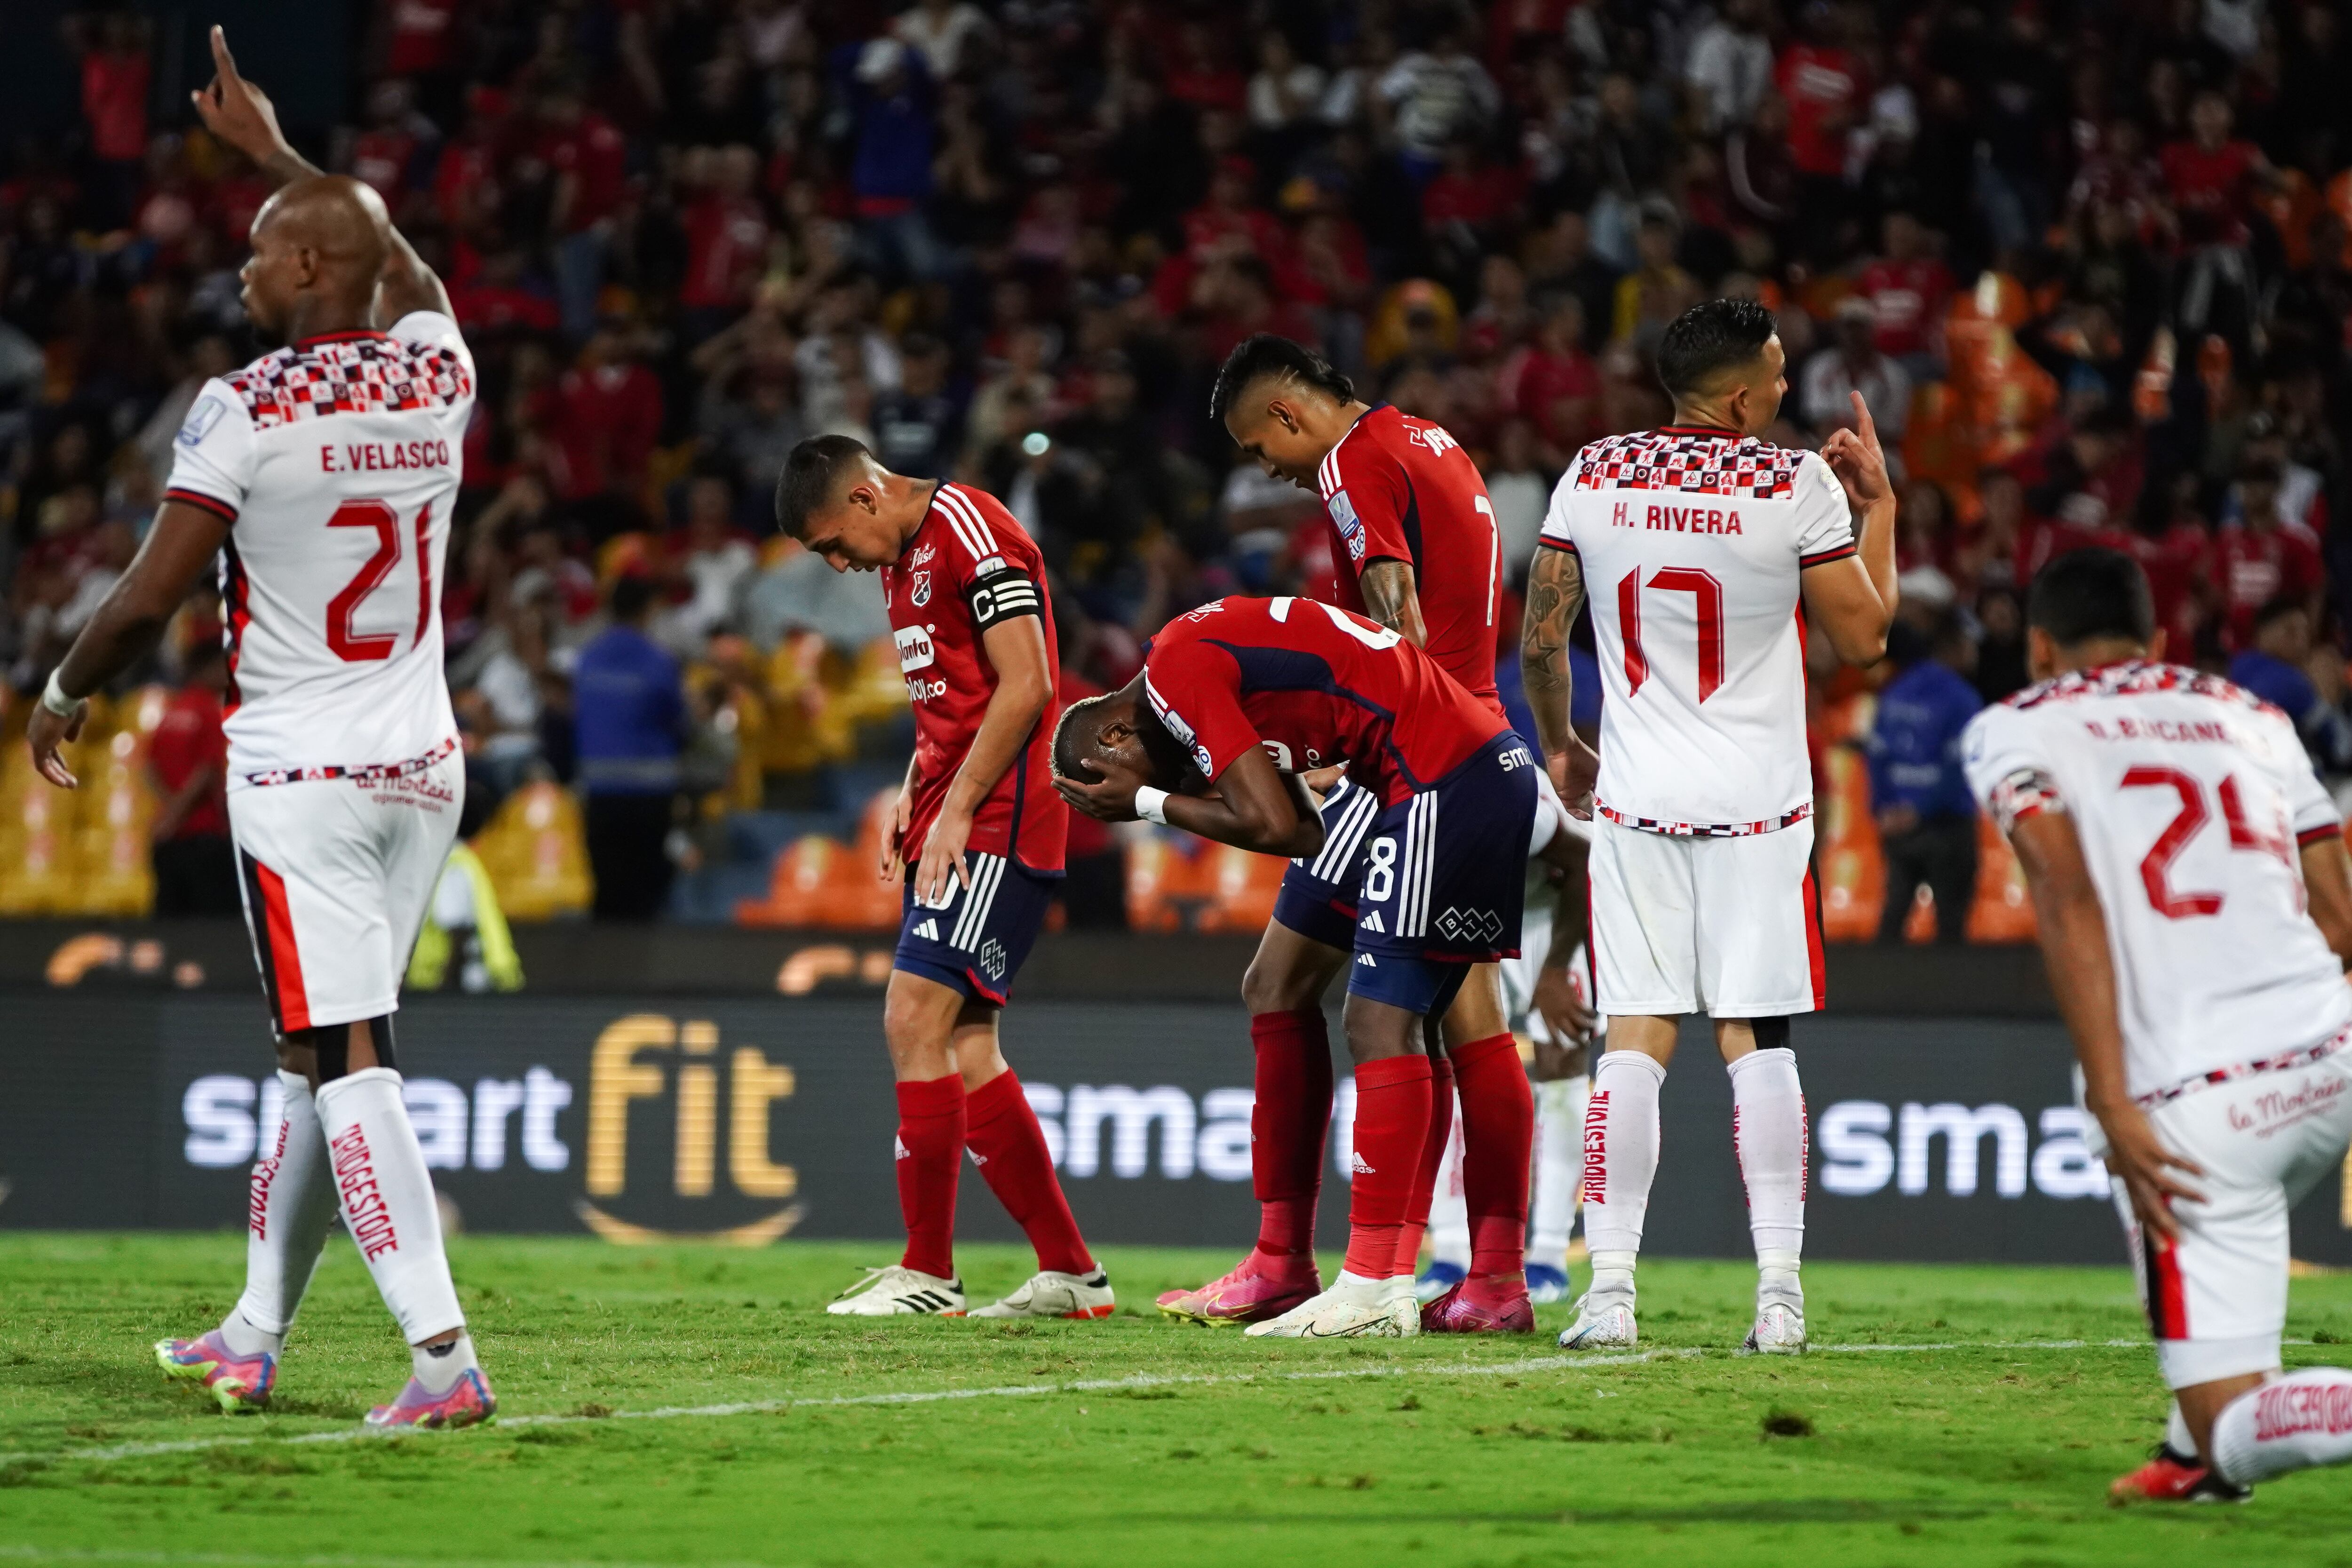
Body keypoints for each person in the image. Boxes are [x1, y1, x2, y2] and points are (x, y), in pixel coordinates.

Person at [26, 29, 491, 1428]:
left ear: (304, 274)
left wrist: (61, 688)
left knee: (349, 1052)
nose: (238, 268)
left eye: (258, 245)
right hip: (424, 770)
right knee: (310, 1045)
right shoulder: (439, 381)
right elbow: (402, 268)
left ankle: (441, 1356)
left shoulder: (243, 406)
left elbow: (153, 592)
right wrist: (283, 159)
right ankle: (253, 1327)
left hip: (299, 776)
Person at [1519, 296, 1898, 1355]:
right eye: (1777, 376)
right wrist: (1886, 509)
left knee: (1630, 1040)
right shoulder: (1795, 483)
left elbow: (1541, 638)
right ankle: (1778, 1297)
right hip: (1759, 810)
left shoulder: (1593, 472)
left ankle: (1610, 1297)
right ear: (1740, 395)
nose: (1787, 390)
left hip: (1636, 803)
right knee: (1757, 1040)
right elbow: (1864, 638)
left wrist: (1562, 743)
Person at [1055, 594, 1584, 1338]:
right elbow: (1300, 830)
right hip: (1414, 770)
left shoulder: (1177, 674)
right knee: (1282, 984)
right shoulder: (1201, 671)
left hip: (1438, 772)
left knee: (1389, 1020)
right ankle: (1302, 1265)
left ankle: (1390, 1282)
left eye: (1109, 781)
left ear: (1115, 732)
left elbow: (1269, 822)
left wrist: (1144, 801)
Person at [1155, 334, 1547, 1335]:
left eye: (1256, 447)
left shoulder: (1348, 462)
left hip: (1423, 762)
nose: (1267, 468)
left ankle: (1367, 1270)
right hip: (1460, 741)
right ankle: (1423, 1271)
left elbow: (1392, 602)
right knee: (1336, 991)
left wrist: (1379, 715)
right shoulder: (1432, 441)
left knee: (1407, 1012)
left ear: (1286, 415)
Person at [1964, 548, 2352, 1503]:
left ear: (2042, 645)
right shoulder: (2255, 716)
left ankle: (2205, 1441)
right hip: (2336, 1052)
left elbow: (2067, 893)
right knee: (2213, 1395)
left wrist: (2111, 1090)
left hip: (2199, 1105)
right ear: (2159, 638)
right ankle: (2185, 1455)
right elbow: (2340, 918)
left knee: (2238, 1431)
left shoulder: (2016, 724)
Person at [775, 434, 1105, 1320]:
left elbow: (1028, 682)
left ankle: (928, 1271)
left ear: (865, 500)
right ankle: (1073, 1273)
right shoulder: (897, 561)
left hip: (1001, 817)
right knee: (964, 1045)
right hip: (959, 809)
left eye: (833, 544)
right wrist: (915, 790)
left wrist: (956, 810)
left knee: (911, 1014)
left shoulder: (972, 527)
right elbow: (948, 701)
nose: (840, 565)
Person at [573, 574, 686, 920]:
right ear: (647, 610)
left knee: (608, 889)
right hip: (650, 794)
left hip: (601, 793)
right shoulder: (658, 660)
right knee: (646, 894)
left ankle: (605, 968)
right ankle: (643, 969)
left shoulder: (589, 659)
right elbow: (678, 720)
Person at [1868, 611, 1984, 943]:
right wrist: (1921, 811)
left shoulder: (1895, 691)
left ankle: (1873, 993)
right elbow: (1958, 766)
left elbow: (1877, 757)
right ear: (1953, 646)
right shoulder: (1962, 698)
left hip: (1897, 825)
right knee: (1951, 926)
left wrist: (1884, 808)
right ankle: (1949, 995)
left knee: (1893, 919)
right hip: (1946, 825)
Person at [147, 641, 239, 916]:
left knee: (172, 919)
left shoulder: (171, 710)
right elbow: (208, 771)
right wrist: (180, 811)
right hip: (203, 832)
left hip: (170, 835)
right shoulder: (208, 711)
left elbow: (150, 768)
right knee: (211, 922)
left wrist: (169, 810)